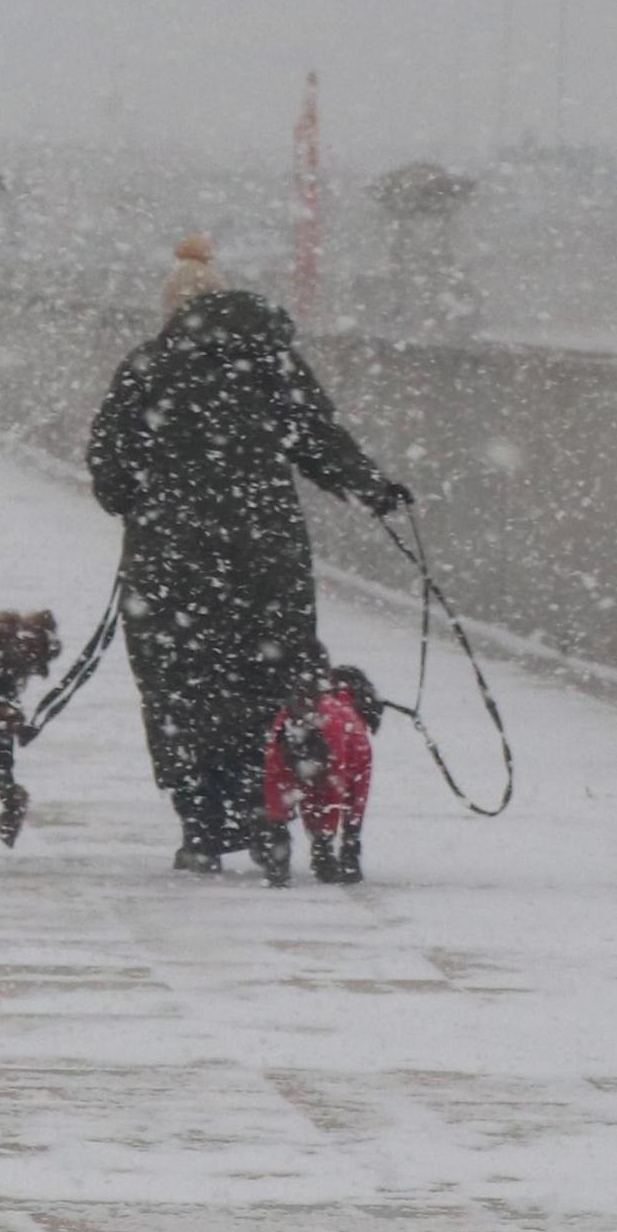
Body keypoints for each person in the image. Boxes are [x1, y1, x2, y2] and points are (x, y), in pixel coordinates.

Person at [83, 241, 410, 878]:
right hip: (267, 552)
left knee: (180, 686)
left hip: (171, 557)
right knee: (272, 680)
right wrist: (373, 488)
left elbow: (111, 475)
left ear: (173, 307)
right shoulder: (272, 363)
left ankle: (201, 827)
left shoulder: (149, 366)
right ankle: (269, 812)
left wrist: (149, 497)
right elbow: (319, 441)